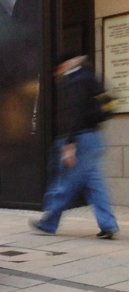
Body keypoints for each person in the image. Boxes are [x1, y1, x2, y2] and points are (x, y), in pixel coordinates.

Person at [30, 52, 119, 239]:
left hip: (80, 140)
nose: (57, 73)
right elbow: (108, 105)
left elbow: (75, 113)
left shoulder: (76, 80)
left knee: (66, 184)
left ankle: (48, 223)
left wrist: (70, 143)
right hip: (93, 138)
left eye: (59, 68)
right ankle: (108, 225)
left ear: (69, 63)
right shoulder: (90, 77)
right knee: (95, 186)